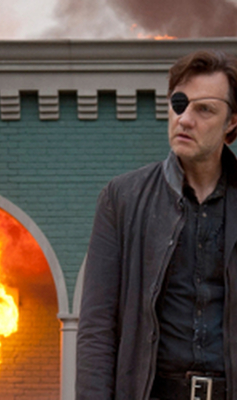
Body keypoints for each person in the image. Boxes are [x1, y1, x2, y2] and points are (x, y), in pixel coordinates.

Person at [76, 49, 237, 400]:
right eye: (179, 104)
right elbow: (97, 329)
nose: (185, 119)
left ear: (231, 123)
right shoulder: (121, 199)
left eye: (204, 109)